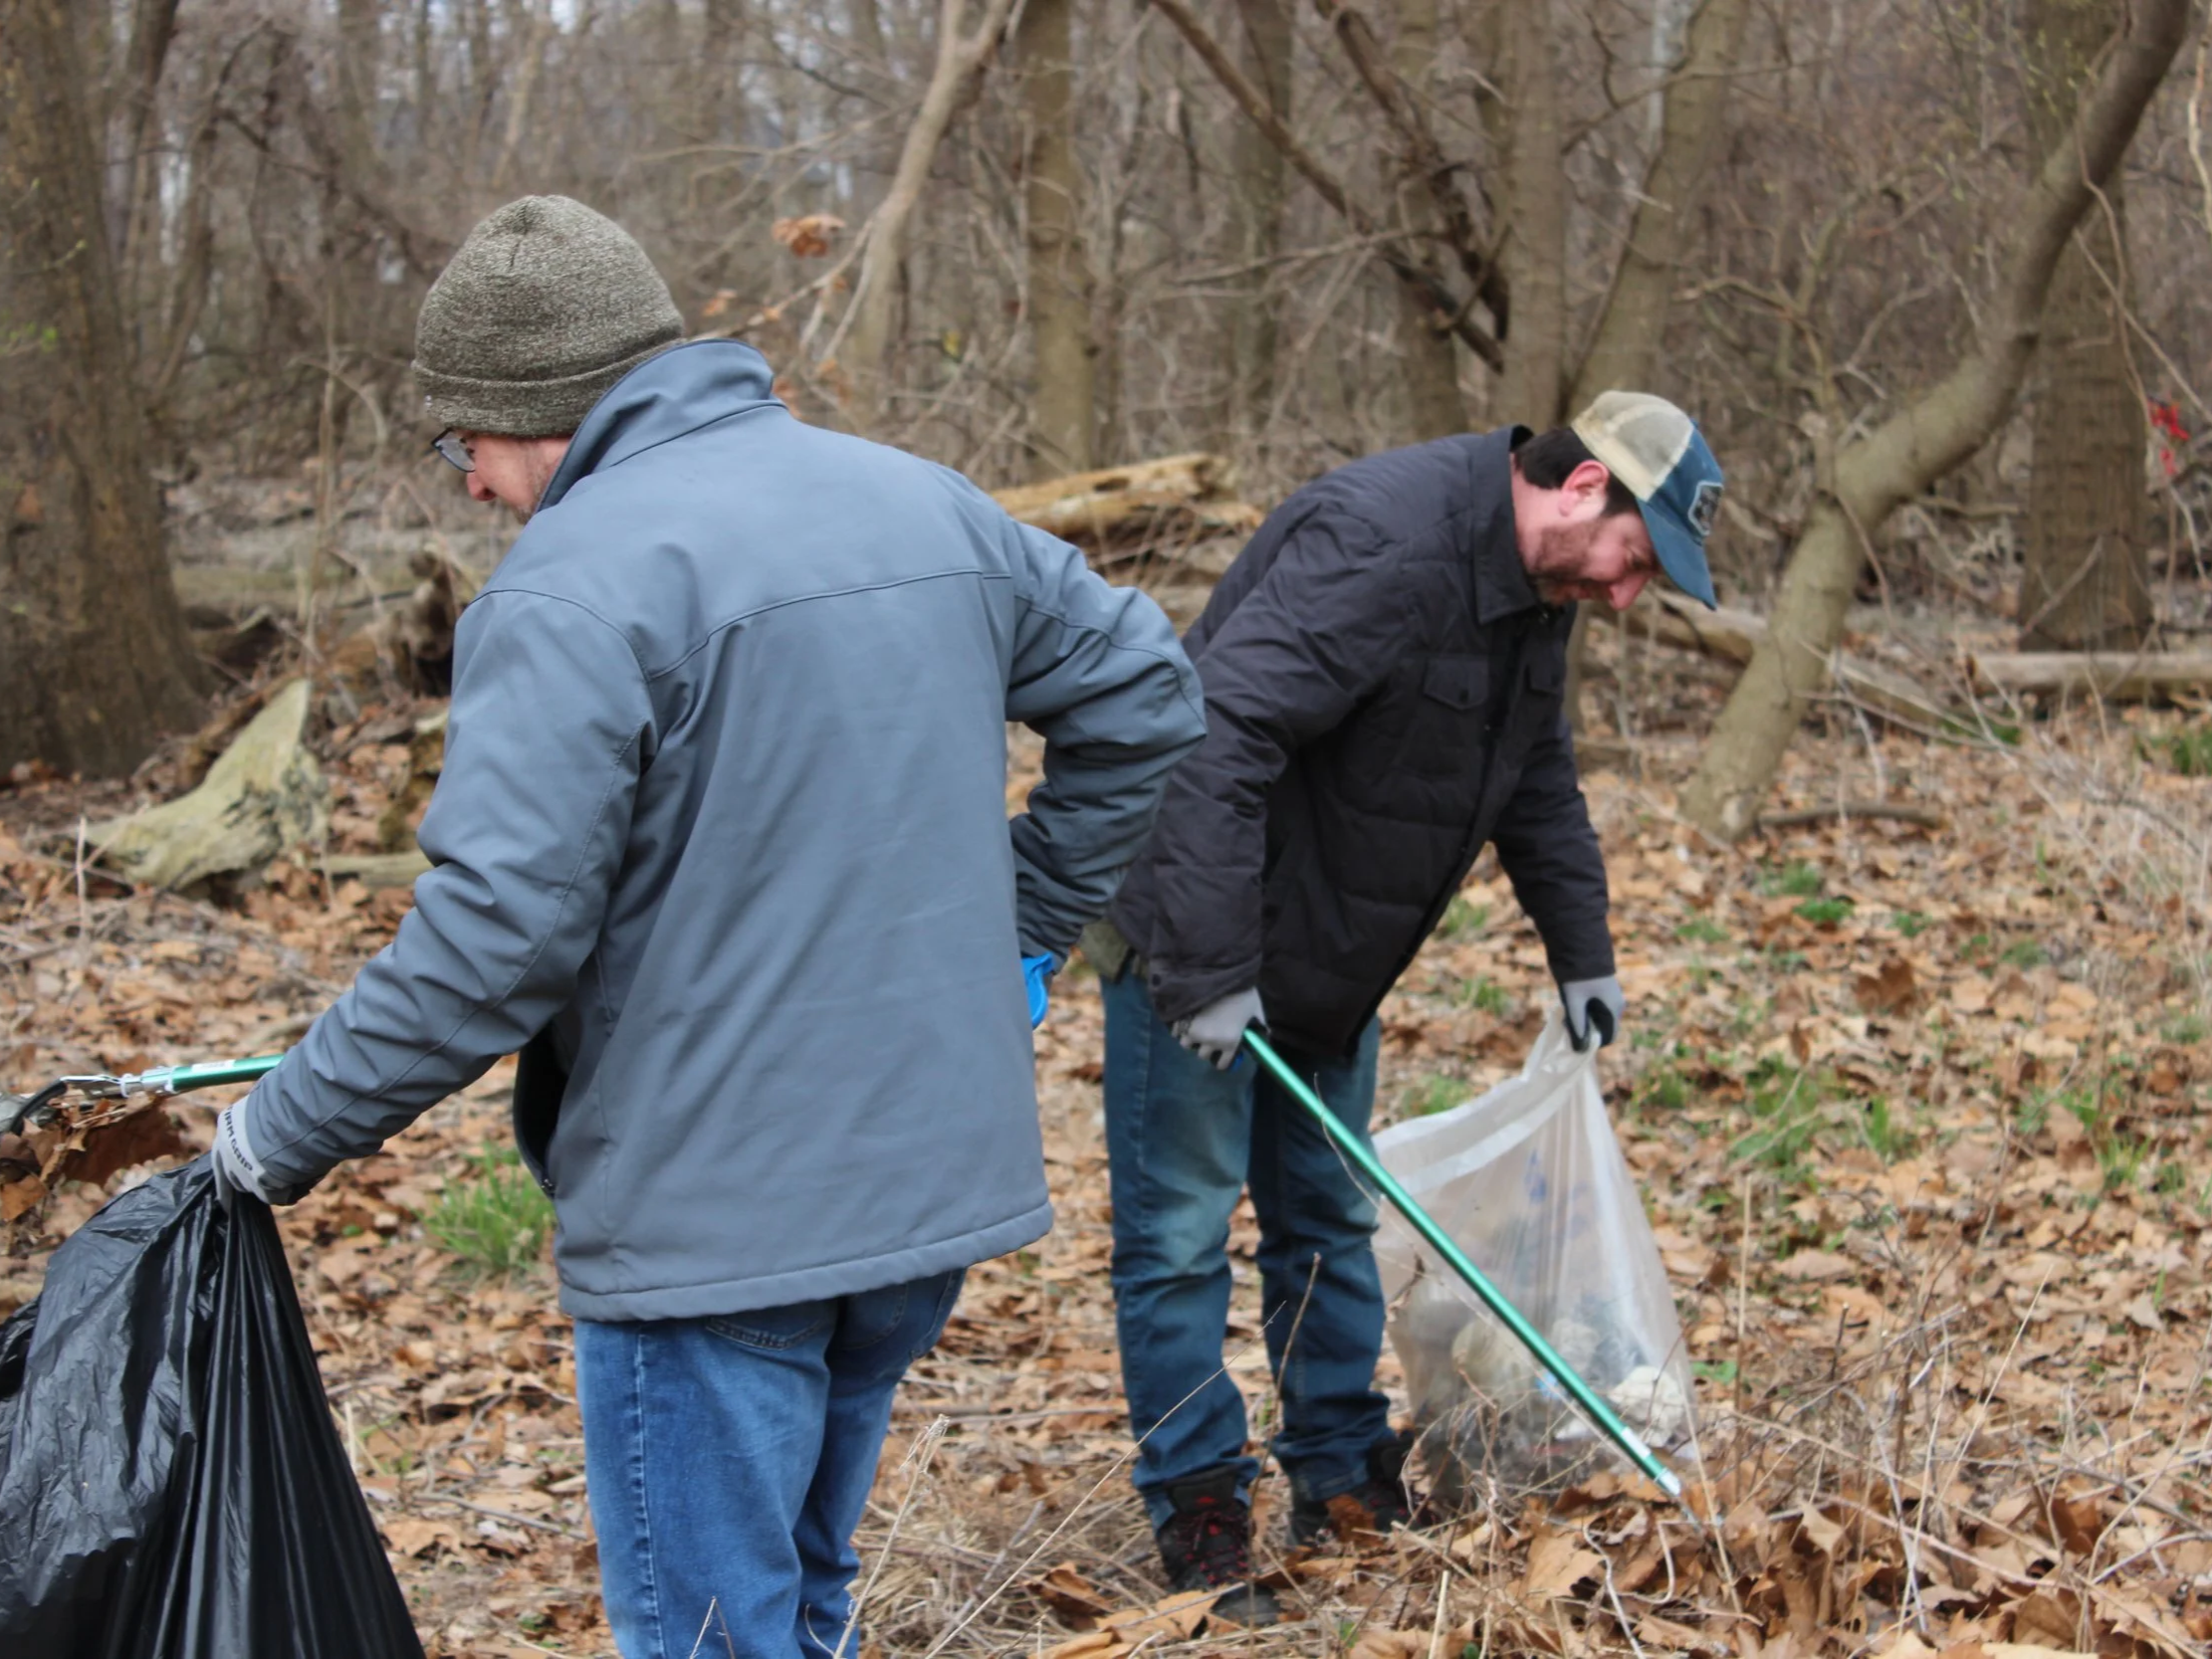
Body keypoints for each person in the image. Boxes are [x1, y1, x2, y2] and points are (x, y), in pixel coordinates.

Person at [208, 196, 1207, 1659]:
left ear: (540, 415)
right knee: (798, 1603)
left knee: (713, 1636)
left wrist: (265, 1142)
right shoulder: (919, 499)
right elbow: (1145, 691)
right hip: (914, 1196)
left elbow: (491, 942)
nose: (473, 485)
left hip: (716, 1231)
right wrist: (1015, 937)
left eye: (464, 441)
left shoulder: (566, 586)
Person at [1086, 394, 1724, 1625]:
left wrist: (1578, 949)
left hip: (1329, 955)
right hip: (1192, 939)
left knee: (1325, 1215)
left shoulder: (1536, 596)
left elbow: (1534, 770)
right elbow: (1210, 734)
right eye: (1636, 560)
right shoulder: (1382, 547)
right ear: (1586, 489)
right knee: (1176, 1237)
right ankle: (1199, 1502)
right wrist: (1212, 966)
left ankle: (1337, 1468)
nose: (1628, 594)